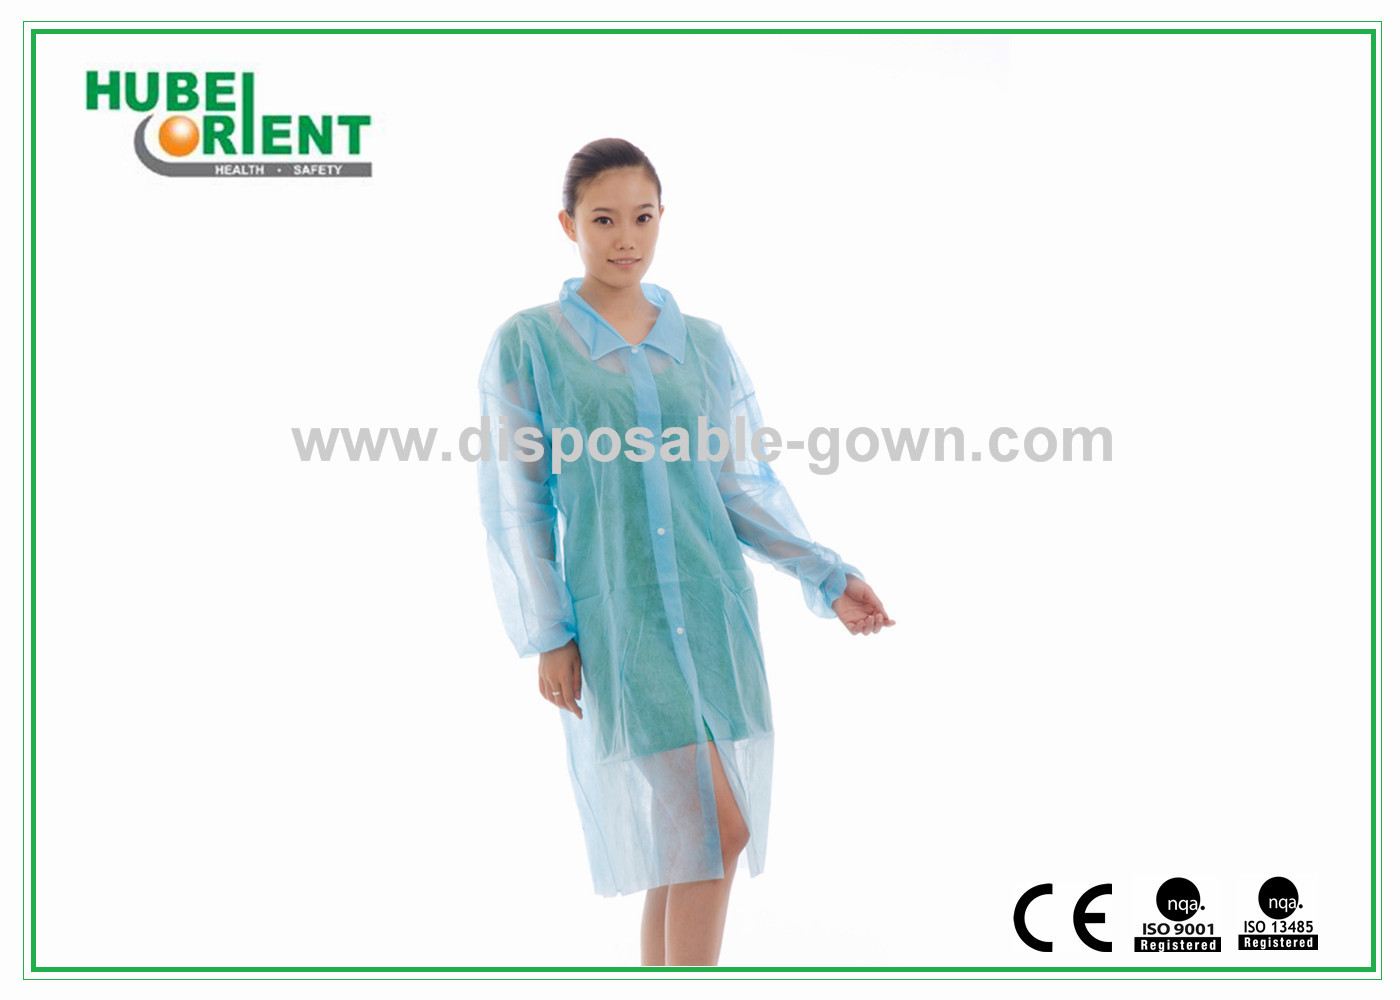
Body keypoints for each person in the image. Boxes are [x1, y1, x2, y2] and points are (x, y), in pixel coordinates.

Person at [477, 137, 895, 967]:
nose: (625, 238)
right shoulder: (529, 342)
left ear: (663, 217)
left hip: (711, 612)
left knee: (688, 839)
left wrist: (827, 574)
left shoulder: (703, 345)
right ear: (568, 224)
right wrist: (550, 633)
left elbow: (738, 485)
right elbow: (519, 503)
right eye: (603, 220)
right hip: (620, 621)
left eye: (642, 217)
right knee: (714, 827)